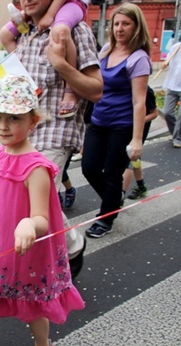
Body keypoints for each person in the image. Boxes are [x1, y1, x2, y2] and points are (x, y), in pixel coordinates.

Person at [0, 74, 84, 346]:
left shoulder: (36, 168)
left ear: (33, 121)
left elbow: (42, 218)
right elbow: (2, 193)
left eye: (14, 118)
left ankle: (42, 343)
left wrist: (30, 223)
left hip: (22, 251)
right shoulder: (0, 154)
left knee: (33, 304)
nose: (3, 126)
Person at [0, 0, 103, 279]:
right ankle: (71, 244)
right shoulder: (26, 32)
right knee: (37, 200)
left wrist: (60, 64)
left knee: (35, 196)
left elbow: (96, 89)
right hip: (25, 129)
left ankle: (43, 263)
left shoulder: (71, 29)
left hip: (57, 129)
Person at [82, 2, 152, 238]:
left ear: (136, 26)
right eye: (116, 23)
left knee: (112, 174)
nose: (120, 28)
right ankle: (114, 201)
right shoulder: (106, 51)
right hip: (99, 121)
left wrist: (137, 139)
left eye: (126, 24)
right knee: (89, 168)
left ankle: (106, 218)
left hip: (122, 126)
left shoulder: (138, 58)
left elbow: (139, 102)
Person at [1, 0, 89, 118]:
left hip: (72, 3)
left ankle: (70, 92)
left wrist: (50, 15)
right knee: (4, 33)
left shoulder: (79, 29)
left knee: (60, 30)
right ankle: (24, 79)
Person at [122, 86, 158, 201]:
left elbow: (154, 113)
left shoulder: (146, 90)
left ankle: (120, 196)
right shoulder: (123, 87)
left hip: (139, 130)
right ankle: (141, 186)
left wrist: (138, 121)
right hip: (124, 127)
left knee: (130, 159)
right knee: (135, 158)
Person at [161, 40, 181, 148]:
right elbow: (167, 60)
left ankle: (177, 138)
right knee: (167, 112)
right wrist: (165, 64)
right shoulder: (176, 47)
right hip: (172, 85)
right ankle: (175, 133)